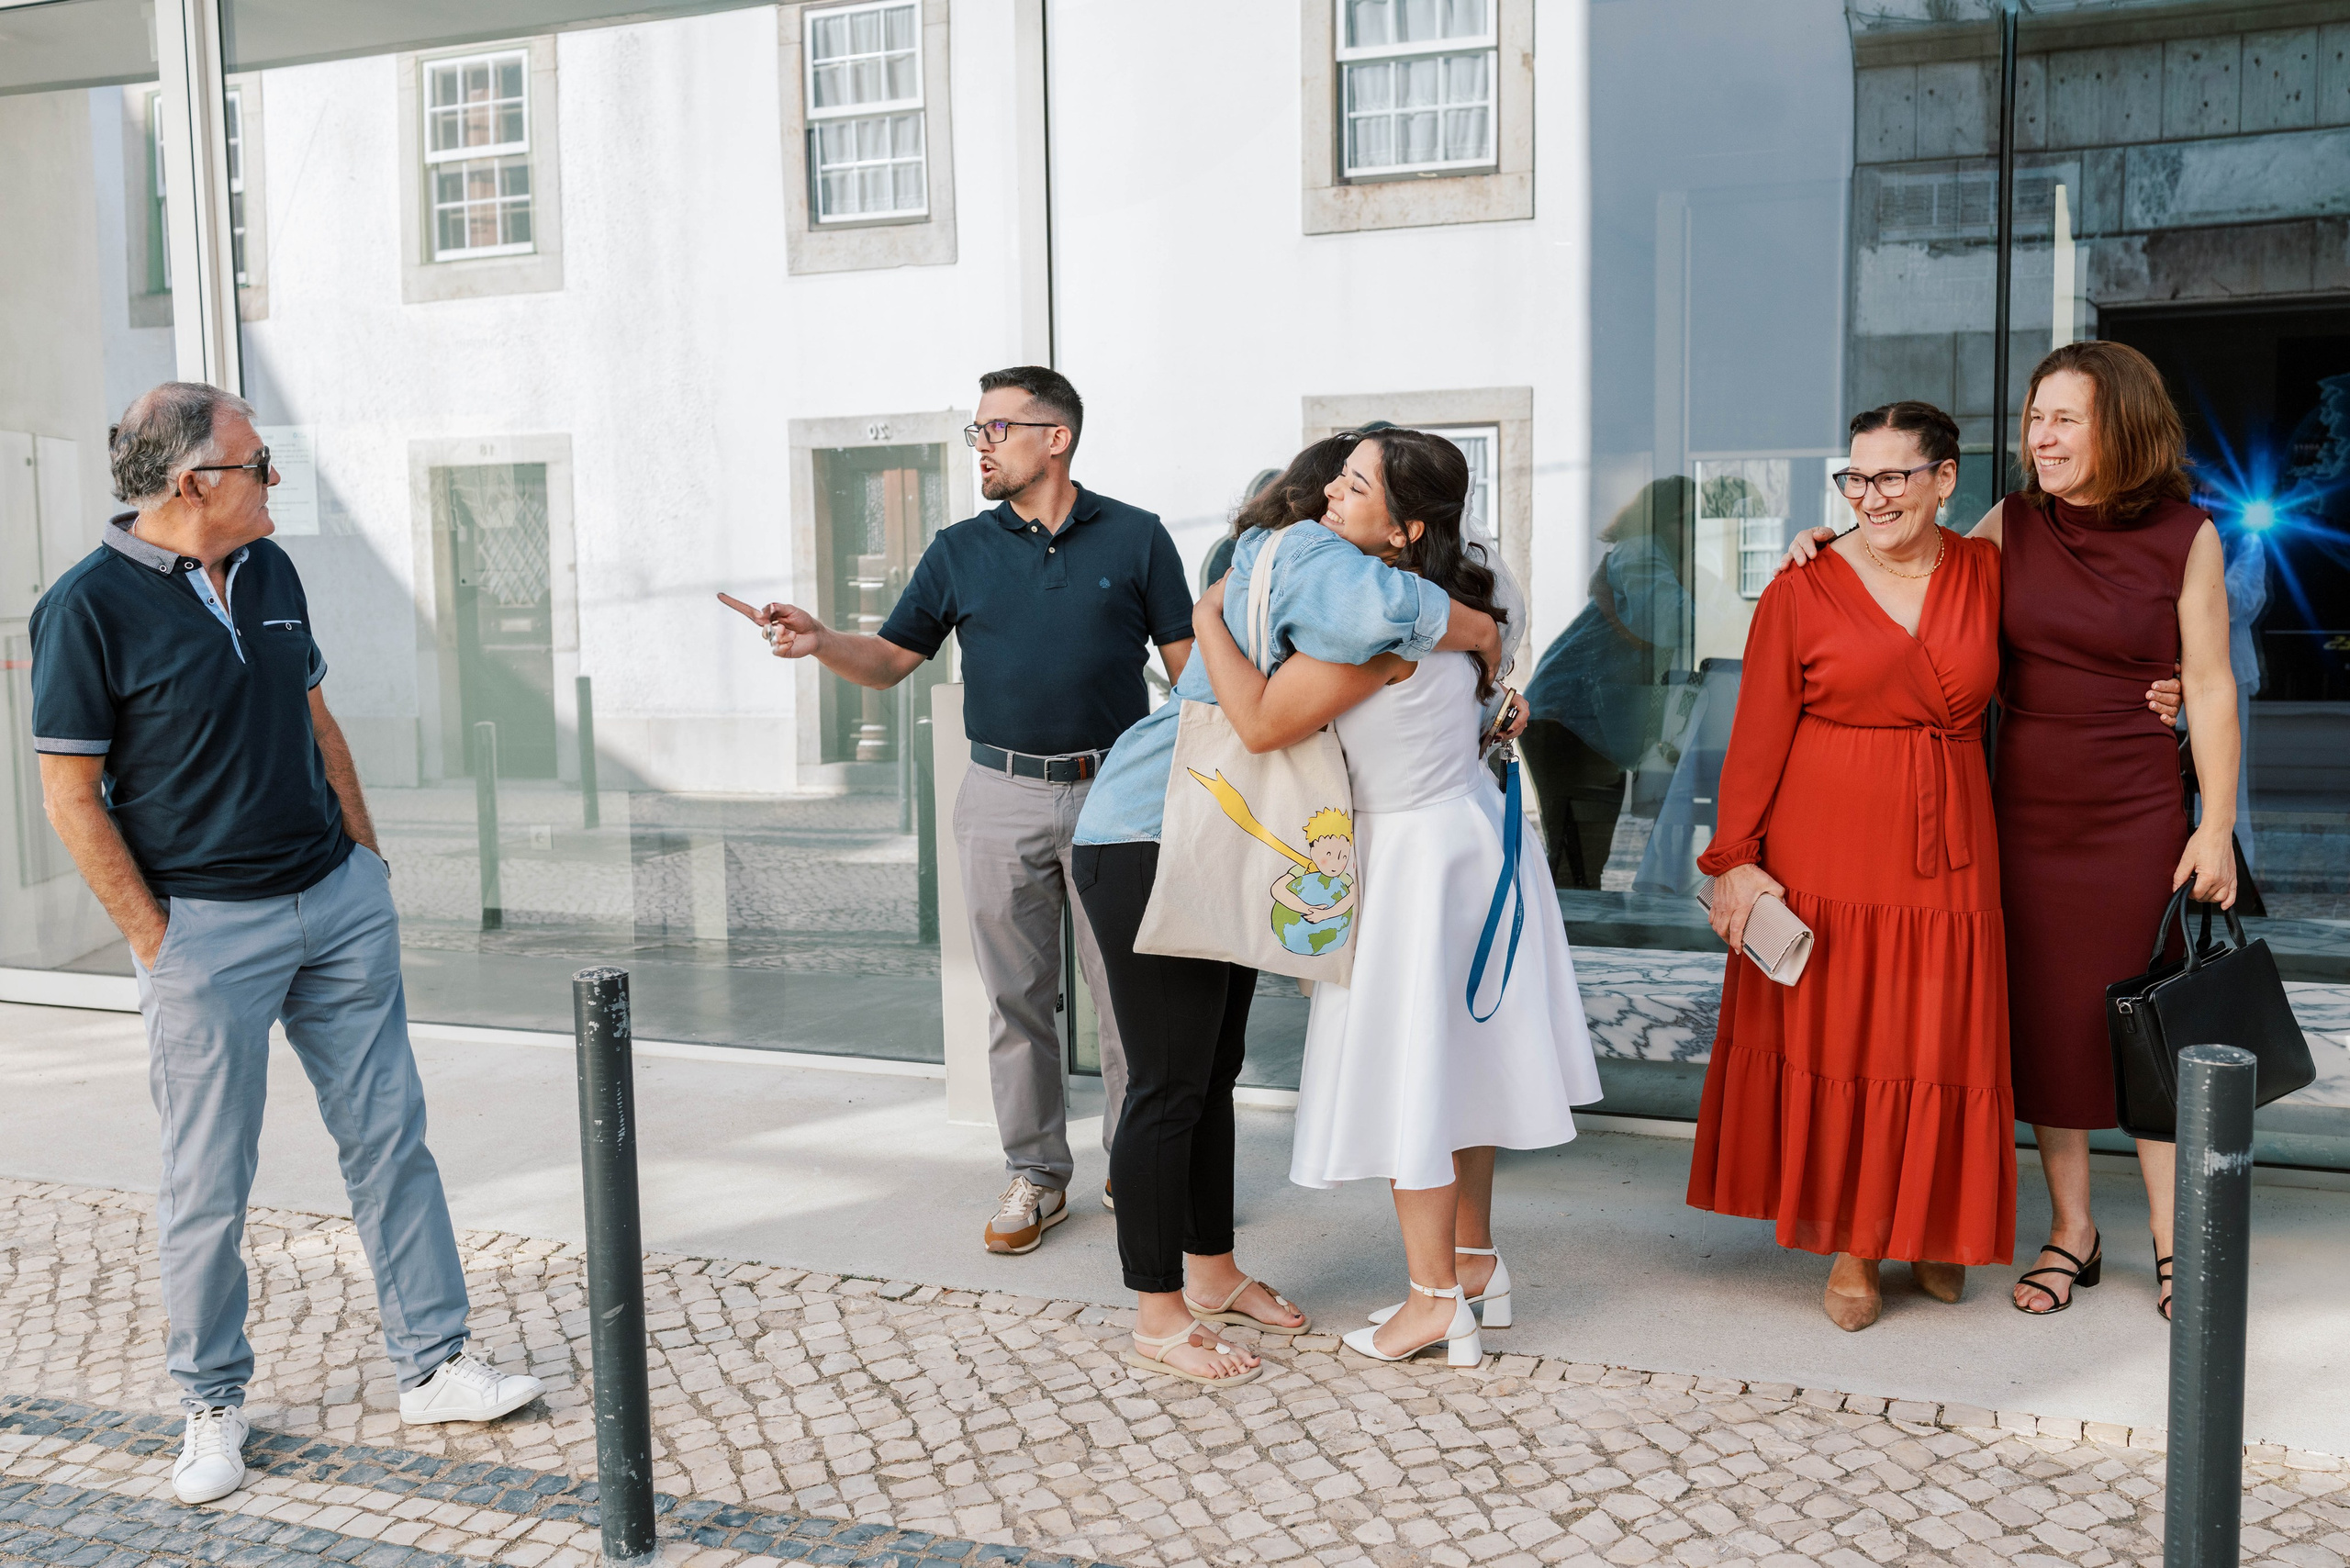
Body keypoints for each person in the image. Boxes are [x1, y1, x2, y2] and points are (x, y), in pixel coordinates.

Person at [33, 383, 545, 1507]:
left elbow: (315, 715)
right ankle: (211, 1401)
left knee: (391, 1138)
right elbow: (70, 795)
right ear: (191, 484)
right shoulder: (86, 608)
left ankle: (434, 1363)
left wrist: (367, 861)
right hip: (205, 933)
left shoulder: (271, 570)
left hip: (335, 902)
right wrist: (155, 941)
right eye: (259, 464)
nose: (275, 481)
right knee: (207, 1180)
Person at [1777, 343, 2230, 1319]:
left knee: (2149, 1020)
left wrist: (2219, 823)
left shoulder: (2187, 534)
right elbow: (1908, 552)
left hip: (2133, 804)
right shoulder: (2013, 524)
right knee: (2051, 1023)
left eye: (2065, 417)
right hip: (2016, 807)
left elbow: (2210, 681)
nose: (2043, 435)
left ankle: (2171, 1238)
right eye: (2035, 418)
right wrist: (1823, 544)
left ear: (2123, 423)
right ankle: (2074, 1230)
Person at [1069, 433, 1505, 1386]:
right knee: (1165, 1083)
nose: (1337, 500)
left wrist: (1468, 632)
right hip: (1147, 832)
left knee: (1209, 1070)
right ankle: (1156, 1316)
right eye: (1338, 482)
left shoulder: (1296, 561)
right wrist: (1471, 625)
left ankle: (1213, 1272)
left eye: (1361, 484)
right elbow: (1365, 620)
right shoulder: (1301, 552)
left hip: (1217, 836)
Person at [731, 367, 1187, 1255]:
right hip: (997, 794)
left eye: (995, 429)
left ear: (1054, 438)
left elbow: (1188, 672)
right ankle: (1036, 1176)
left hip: (1115, 796)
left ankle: (1139, 1167)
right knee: (1015, 998)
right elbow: (893, 659)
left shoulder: (1137, 539)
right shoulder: (957, 549)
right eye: (975, 431)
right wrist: (823, 640)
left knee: (1132, 999)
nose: (979, 446)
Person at [1186, 429, 1597, 1366]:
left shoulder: (1375, 631)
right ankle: (1475, 1263)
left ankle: (1430, 1302)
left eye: (1356, 483)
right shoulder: (1479, 590)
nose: (1330, 491)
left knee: (1417, 1077)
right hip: (1472, 838)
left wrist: (1206, 616)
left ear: (1408, 528)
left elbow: (1255, 725)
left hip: (1410, 855)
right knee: (1465, 1068)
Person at [1687, 401, 2013, 1329]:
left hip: (1950, 839)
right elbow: (1755, 733)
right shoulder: (1803, 582)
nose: (1869, 496)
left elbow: (2082, 627)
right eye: (1854, 478)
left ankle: (1937, 1225)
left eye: (1891, 477)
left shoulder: (1991, 568)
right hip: (1826, 837)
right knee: (1851, 1036)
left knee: (1938, 1032)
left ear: (1944, 479)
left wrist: (2163, 692)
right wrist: (1735, 860)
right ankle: (1857, 1241)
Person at [1520, 478, 1695, 887]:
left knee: (1581, 862)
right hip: (1568, 717)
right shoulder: (1642, 548)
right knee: (1576, 864)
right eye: (1687, 521)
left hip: (1588, 722)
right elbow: (1673, 622)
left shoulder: (1660, 555)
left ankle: (1556, 944)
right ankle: (1549, 946)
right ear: (1663, 519)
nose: (1695, 533)